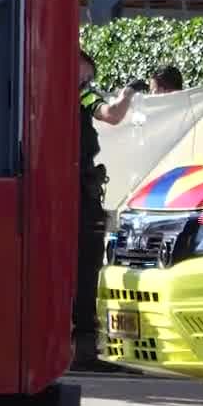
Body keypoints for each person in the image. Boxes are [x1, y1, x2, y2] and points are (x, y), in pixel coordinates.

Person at [75, 50, 135, 367]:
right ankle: (83, 347)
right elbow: (112, 114)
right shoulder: (82, 94)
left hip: (55, 186)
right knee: (86, 263)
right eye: (85, 74)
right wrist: (128, 93)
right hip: (76, 190)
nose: (88, 81)